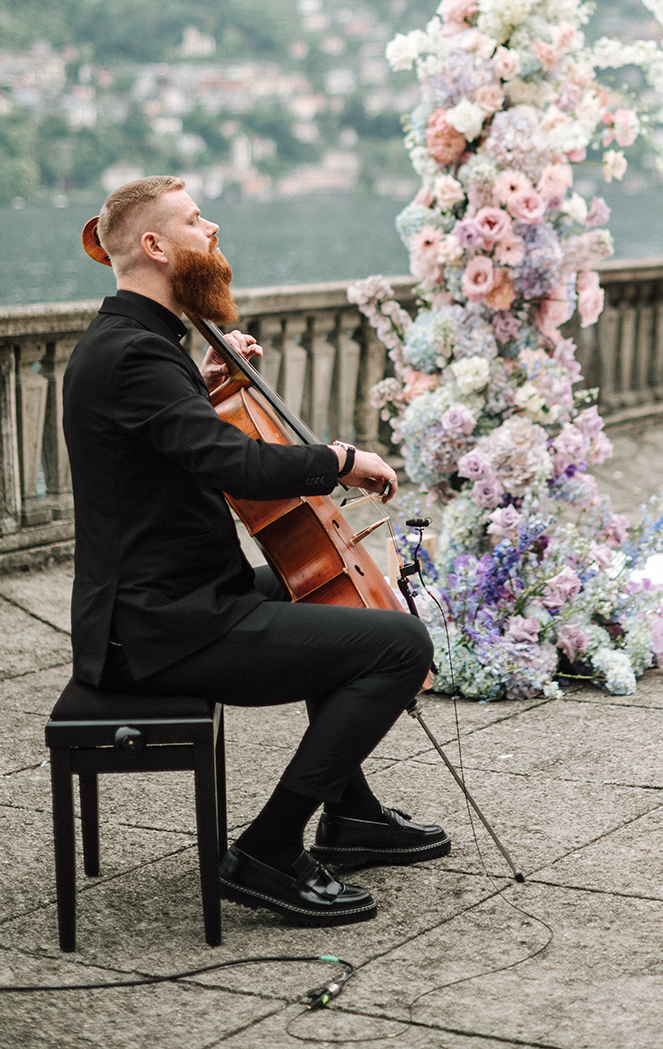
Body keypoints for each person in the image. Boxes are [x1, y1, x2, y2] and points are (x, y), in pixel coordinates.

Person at [63, 175, 449, 928]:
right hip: (162, 629)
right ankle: (268, 848)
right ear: (154, 246)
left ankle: (352, 815)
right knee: (401, 644)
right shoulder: (135, 355)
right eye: (194, 219)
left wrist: (202, 384)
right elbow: (232, 462)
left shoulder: (140, 344)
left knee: (321, 590)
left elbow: (172, 442)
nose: (212, 227)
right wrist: (338, 459)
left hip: (177, 600)